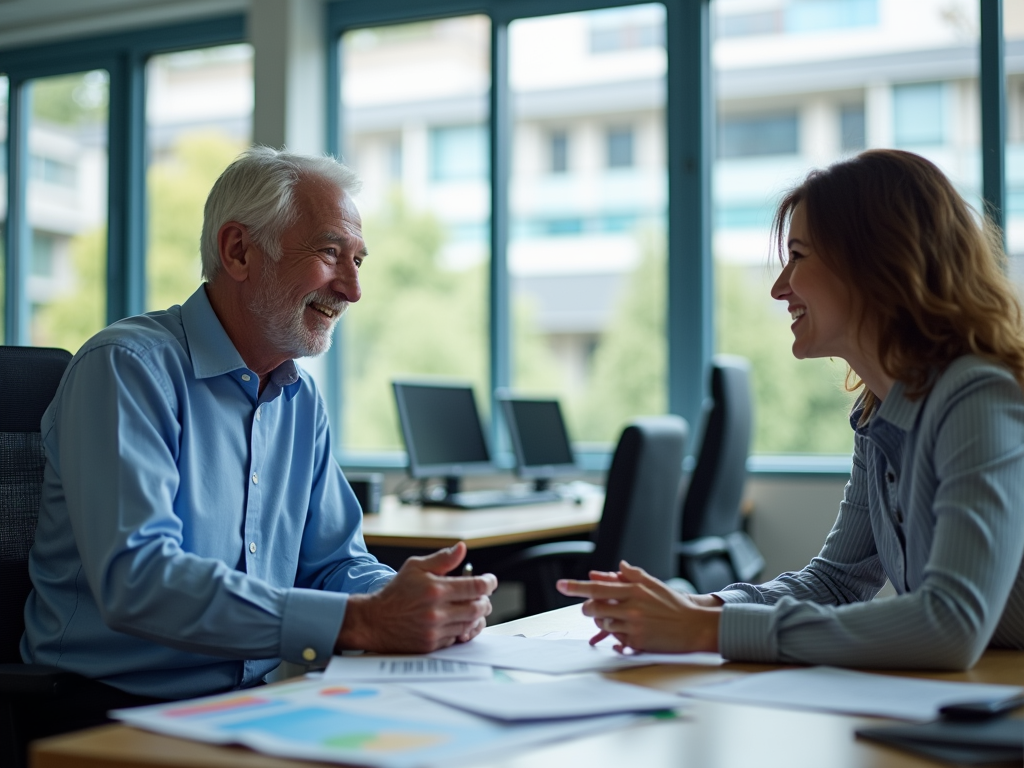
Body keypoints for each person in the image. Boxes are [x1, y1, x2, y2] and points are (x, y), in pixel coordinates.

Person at [21, 147, 497, 718]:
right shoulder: (127, 368)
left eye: (358, 261)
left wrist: (410, 600)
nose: (352, 289)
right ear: (239, 251)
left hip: (250, 704)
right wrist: (364, 621)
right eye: (329, 253)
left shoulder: (299, 397)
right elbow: (139, 579)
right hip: (104, 711)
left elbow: (332, 562)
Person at [558, 149, 1024, 670]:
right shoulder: (880, 413)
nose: (780, 287)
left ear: (876, 262)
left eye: (798, 256)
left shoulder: (980, 397)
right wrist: (696, 607)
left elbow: (950, 625)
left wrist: (708, 630)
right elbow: (835, 581)